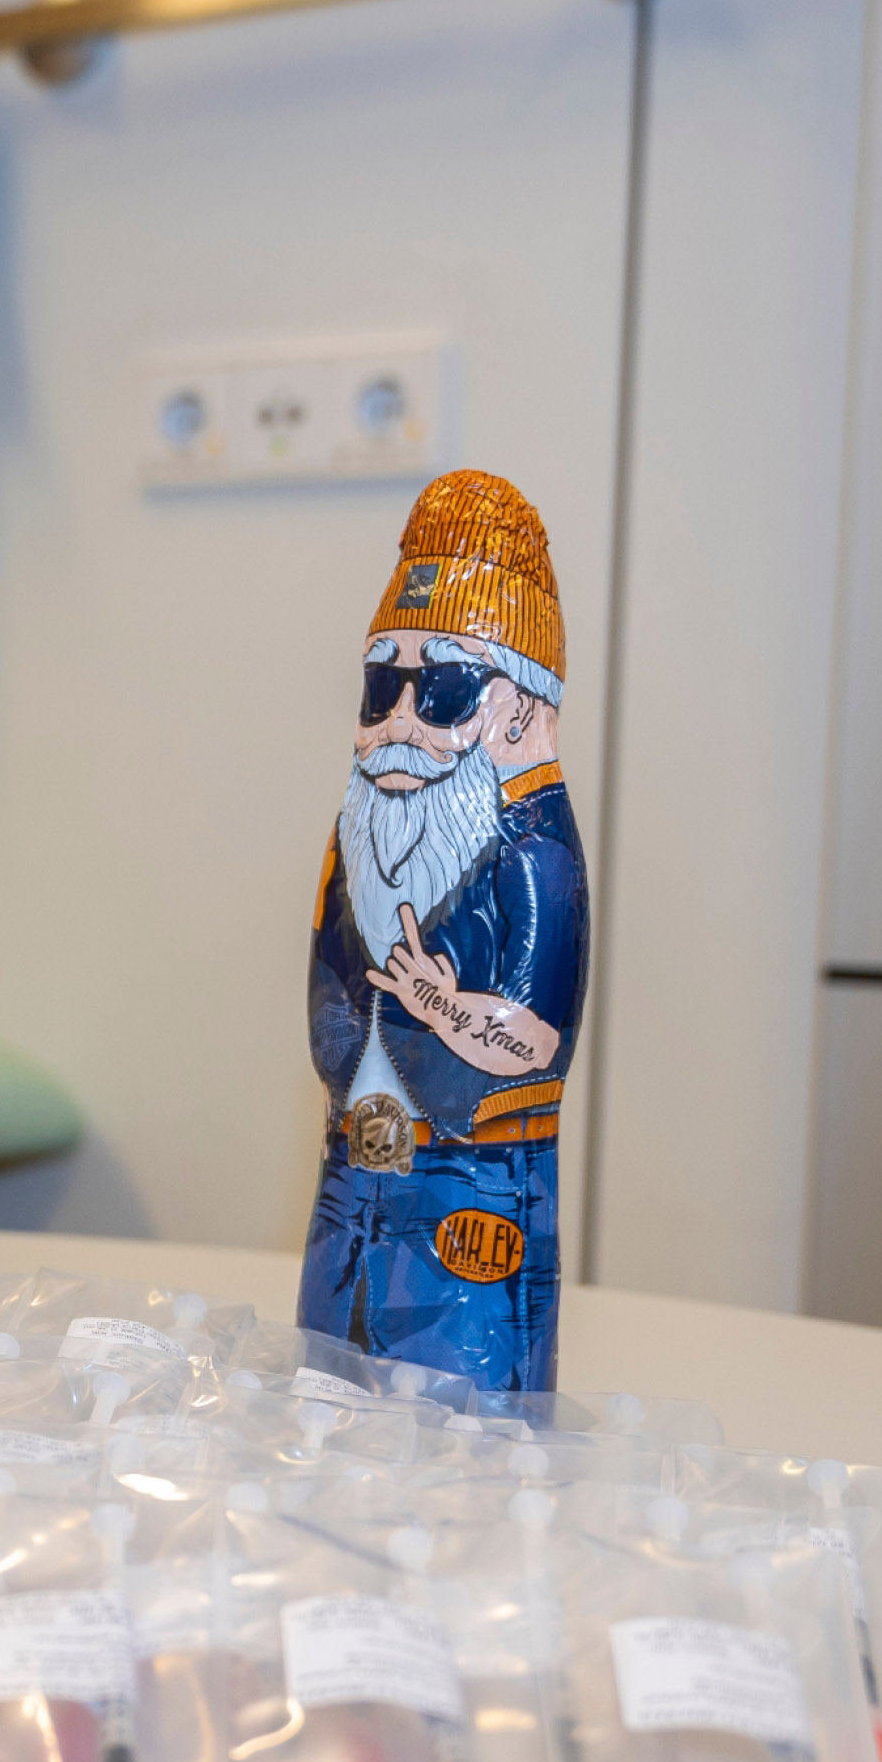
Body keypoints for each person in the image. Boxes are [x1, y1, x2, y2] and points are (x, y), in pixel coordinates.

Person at [302, 470, 587, 1392]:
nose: (398, 720)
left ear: (519, 711)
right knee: (327, 1383)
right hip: (352, 1159)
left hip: (472, 1179)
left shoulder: (534, 854)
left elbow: (535, 1042)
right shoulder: (359, 831)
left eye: (444, 691)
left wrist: (442, 1007)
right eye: (381, 684)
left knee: (463, 1411)